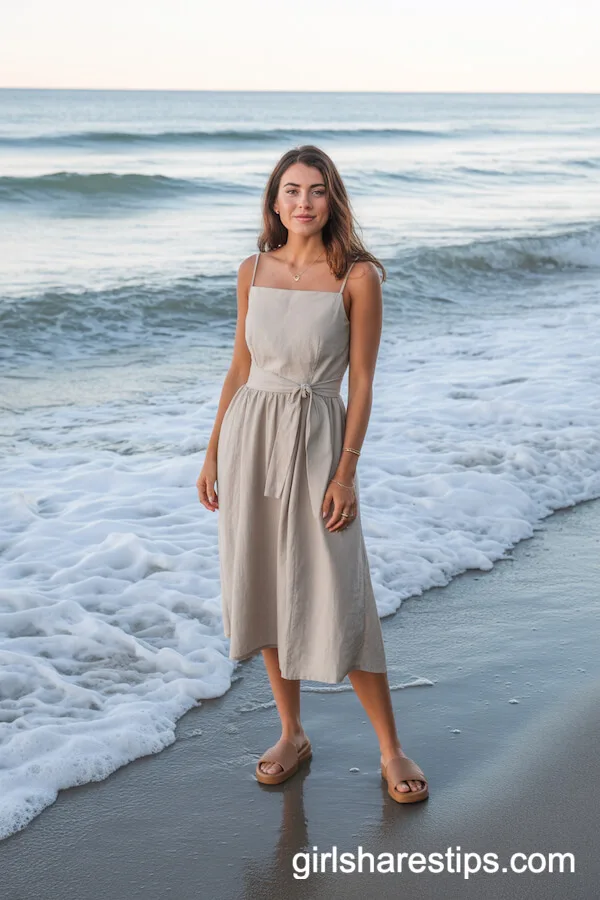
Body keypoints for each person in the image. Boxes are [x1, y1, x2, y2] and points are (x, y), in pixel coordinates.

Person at [196, 145, 428, 803]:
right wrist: (213, 452)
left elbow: (363, 382)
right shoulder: (251, 270)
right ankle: (291, 732)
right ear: (274, 200)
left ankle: (391, 748)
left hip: (320, 436)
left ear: (333, 200)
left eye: (317, 191)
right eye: (292, 190)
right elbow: (239, 369)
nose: (303, 202)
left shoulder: (357, 277)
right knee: (266, 583)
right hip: (251, 436)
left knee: (339, 586)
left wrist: (346, 473)